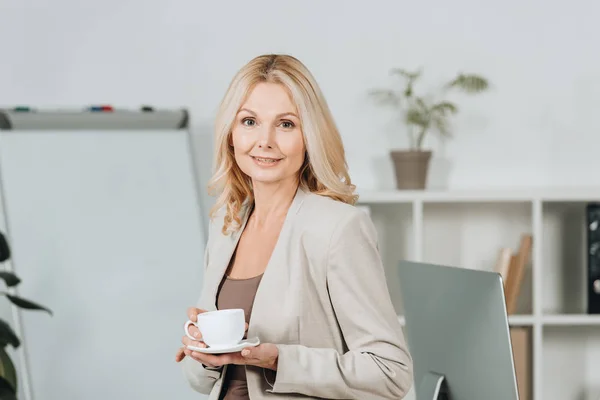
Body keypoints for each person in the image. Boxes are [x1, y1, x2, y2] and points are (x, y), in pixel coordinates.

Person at [175, 54, 413, 399]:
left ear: (309, 137)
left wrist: (279, 360)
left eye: (286, 124)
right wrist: (203, 354)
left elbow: (390, 372)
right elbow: (199, 381)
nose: (265, 140)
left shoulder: (338, 228)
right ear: (230, 134)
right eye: (249, 121)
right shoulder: (226, 224)